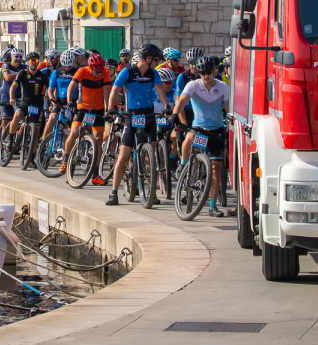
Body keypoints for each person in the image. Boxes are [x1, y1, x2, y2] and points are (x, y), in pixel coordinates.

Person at [106, 43, 171, 205]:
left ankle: (151, 192)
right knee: (123, 156)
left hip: (148, 115)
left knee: (151, 155)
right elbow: (115, 90)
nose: (157, 63)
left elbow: (160, 91)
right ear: (147, 59)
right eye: (155, 60)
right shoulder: (128, 72)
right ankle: (114, 193)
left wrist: (167, 107)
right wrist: (110, 109)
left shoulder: (153, 73)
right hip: (131, 116)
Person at [171, 55, 233, 216]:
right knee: (189, 139)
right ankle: (183, 165)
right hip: (200, 129)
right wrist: (174, 114)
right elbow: (182, 101)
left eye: (208, 73)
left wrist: (231, 125)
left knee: (215, 169)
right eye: (202, 73)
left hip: (217, 130)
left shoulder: (223, 87)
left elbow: (228, 109)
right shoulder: (193, 85)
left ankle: (212, 206)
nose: (206, 76)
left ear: (214, 71)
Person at [61, 50, 113, 183]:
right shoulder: (82, 71)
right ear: (90, 67)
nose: (98, 73)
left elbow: (107, 94)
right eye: (96, 71)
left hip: (98, 109)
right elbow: (71, 86)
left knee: (98, 141)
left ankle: (95, 175)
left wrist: (108, 111)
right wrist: (69, 103)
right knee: (73, 133)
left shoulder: (105, 72)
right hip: (82, 108)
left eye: (100, 71)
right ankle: (65, 161)